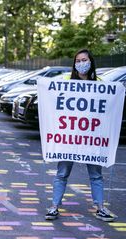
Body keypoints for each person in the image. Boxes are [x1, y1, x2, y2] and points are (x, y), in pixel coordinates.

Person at [44, 49, 115, 222]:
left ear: (91, 62)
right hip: (69, 138)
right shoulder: (66, 81)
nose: (81, 63)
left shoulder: (100, 83)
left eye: (84, 60)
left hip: (91, 138)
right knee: (62, 173)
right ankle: (54, 207)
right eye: (78, 60)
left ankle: (100, 207)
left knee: (96, 175)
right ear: (74, 64)